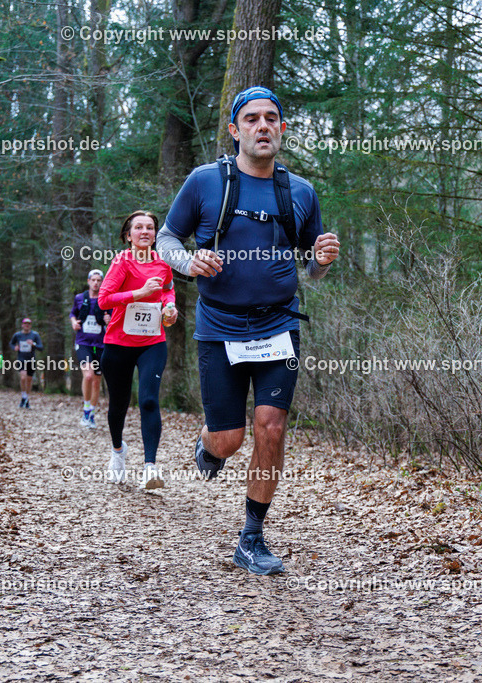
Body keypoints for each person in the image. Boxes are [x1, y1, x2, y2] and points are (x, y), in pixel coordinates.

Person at [157, 86, 340, 575]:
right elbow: (166, 238)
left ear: (281, 129)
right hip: (220, 327)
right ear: (235, 130)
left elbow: (311, 265)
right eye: (253, 119)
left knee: (272, 427)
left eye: (272, 119)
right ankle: (208, 444)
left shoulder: (299, 191)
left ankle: (252, 536)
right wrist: (188, 262)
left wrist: (321, 262)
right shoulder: (204, 182)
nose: (263, 126)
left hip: (279, 325)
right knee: (229, 439)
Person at [98, 211, 178, 489]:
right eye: (139, 227)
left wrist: (170, 308)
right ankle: (118, 453)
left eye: (150, 227)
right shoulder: (122, 262)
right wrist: (138, 294)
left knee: (148, 401)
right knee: (119, 404)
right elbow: (104, 300)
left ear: (156, 234)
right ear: (128, 235)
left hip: (152, 342)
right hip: (118, 344)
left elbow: (168, 290)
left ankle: (149, 468)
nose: (145, 231)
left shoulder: (163, 263)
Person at [70, 269, 112, 428]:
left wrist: (109, 320)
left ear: (102, 282)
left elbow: (114, 318)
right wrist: (73, 322)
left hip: (101, 345)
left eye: (99, 280)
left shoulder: (106, 300)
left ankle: (91, 413)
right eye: (93, 280)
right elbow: (72, 313)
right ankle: (86, 409)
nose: (96, 283)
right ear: (88, 281)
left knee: (96, 381)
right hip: (84, 343)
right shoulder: (80, 298)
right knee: (88, 376)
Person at [10, 318, 43, 408]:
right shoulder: (17, 335)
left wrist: (34, 344)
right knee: (23, 377)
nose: (27, 325)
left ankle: (26, 399)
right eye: (25, 324)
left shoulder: (35, 335)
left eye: (28, 324)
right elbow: (11, 343)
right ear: (22, 325)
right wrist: (14, 347)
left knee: (29, 380)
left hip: (31, 360)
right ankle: (23, 396)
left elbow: (41, 347)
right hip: (21, 359)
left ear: (30, 325)